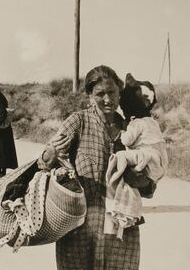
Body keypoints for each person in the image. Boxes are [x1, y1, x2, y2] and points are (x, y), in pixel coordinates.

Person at [38, 65, 154, 270]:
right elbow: (44, 165)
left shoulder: (132, 127)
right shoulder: (78, 121)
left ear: (120, 93)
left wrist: (143, 181)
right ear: (90, 95)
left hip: (120, 224)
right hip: (81, 226)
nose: (108, 99)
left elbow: (150, 179)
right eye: (100, 94)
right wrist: (51, 153)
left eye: (112, 93)